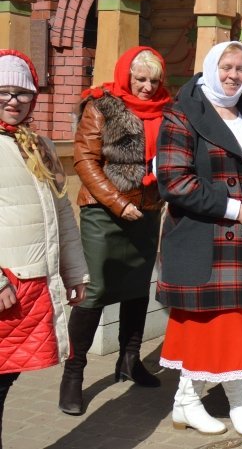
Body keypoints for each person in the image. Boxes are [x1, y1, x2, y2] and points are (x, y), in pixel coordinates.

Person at [156, 41, 242, 437]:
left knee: (239, 322)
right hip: (205, 237)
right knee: (211, 325)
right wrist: (239, 210)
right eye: (226, 67)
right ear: (212, 66)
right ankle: (229, 400)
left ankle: (200, 400)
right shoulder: (182, 114)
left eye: (239, 69)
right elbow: (174, 181)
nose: (232, 75)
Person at [58, 46, 171, 415]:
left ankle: (129, 359)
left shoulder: (167, 109)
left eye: (154, 80)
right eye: (140, 79)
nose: (147, 87)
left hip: (147, 210)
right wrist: (117, 201)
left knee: (138, 287)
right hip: (103, 211)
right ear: (126, 74)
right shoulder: (101, 106)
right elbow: (84, 160)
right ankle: (73, 374)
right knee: (95, 290)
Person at [0, 50, 88, 446]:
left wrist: (75, 272)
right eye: (3, 91)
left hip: (33, 284)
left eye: (22, 93)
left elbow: (62, 215)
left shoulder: (39, 144)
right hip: (6, 284)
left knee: (5, 381)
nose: (12, 101)